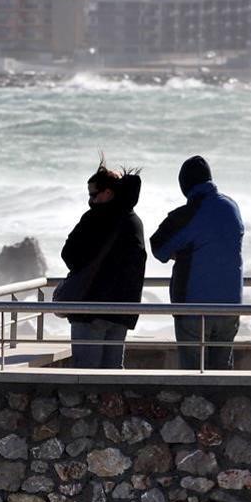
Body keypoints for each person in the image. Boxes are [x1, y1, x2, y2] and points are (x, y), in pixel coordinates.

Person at [149, 155, 245, 369]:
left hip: (193, 307)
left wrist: (181, 252)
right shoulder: (232, 207)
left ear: (185, 185)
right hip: (230, 305)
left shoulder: (188, 214)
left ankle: (196, 403)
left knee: (193, 376)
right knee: (221, 375)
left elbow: (158, 247)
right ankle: (222, 403)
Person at [60, 158, 147, 368]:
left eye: (93, 194)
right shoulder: (134, 221)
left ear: (108, 193)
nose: (90, 200)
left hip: (91, 308)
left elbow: (69, 254)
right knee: (112, 376)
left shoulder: (95, 218)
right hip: (121, 310)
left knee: (85, 373)